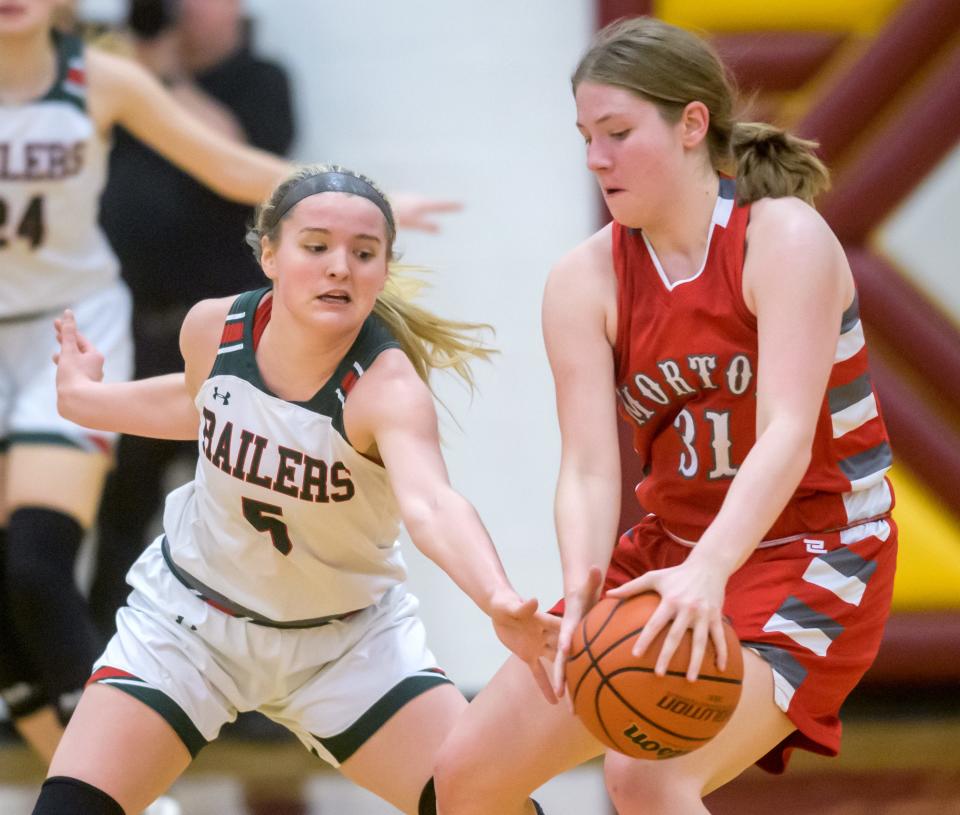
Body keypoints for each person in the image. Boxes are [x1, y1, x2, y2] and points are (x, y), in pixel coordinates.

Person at [434, 16, 897, 815]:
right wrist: (580, 591)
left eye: (616, 132)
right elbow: (585, 463)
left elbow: (787, 430)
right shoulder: (585, 280)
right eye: (585, 135)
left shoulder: (782, 236)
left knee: (645, 771)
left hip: (814, 548)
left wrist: (711, 570)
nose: (595, 158)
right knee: (465, 781)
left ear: (692, 124)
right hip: (667, 552)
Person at [0, 0, 458, 769]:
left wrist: (357, 201)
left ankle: (115, 770)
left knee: (34, 563)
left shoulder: (100, 79)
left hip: (66, 324)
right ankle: (83, 773)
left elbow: (221, 161)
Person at [38, 164, 557, 815]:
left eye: (364, 253)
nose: (340, 266)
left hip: (344, 644)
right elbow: (203, 402)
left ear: (384, 269)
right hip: (191, 622)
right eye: (317, 246)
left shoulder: (386, 387)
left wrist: (498, 596)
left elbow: (432, 503)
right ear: (270, 254)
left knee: (484, 805)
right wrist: (89, 399)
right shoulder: (213, 327)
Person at [91, 0, 297, 639]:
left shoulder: (259, 78)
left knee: (245, 508)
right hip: (138, 330)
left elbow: (237, 158)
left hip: (236, 342)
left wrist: (164, 80)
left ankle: (258, 672)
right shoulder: (116, 81)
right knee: (120, 509)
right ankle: (105, 662)